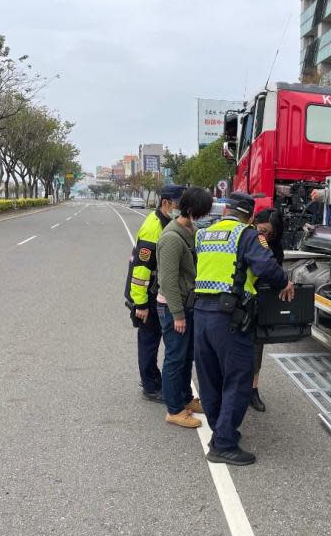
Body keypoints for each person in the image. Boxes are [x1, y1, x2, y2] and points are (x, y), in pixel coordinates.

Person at [194, 193, 295, 466]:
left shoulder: (203, 234)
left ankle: (221, 432)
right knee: (238, 380)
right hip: (229, 317)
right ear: (250, 216)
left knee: (210, 379)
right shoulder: (246, 235)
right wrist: (284, 282)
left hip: (201, 314)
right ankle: (224, 445)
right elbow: (265, 267)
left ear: (225, 209)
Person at [156, 187, 213, 428]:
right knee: (175, 358)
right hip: (173, 307)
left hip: (187, 304)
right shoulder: (171, 238)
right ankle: (174, 410)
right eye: (200, 212)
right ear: (190, 209)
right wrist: (178, 315)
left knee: (186, 357)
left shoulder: (191, 230)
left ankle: (186, 399)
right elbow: (168, 280)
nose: (203, 217)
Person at [124, 184, 184, 402]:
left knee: (158, 339)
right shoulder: (154, 226)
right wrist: (140, 304)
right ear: (166, 203)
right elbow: (141, 268)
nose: (180, 208)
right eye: (178, 204)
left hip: (155, 292)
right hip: (146, 295)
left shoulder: (168, 221)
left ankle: (156, 380)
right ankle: (150, 386)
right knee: (149, 342)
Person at [249, 208, 285, 412]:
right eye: (262, 230)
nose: (264, 236)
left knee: (256, 348)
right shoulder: (245, 237)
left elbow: (276, 271)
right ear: (254, 221)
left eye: (270, 234)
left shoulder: (275, 247)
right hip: (238, 301)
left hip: (261, 302)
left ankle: (252, 390)